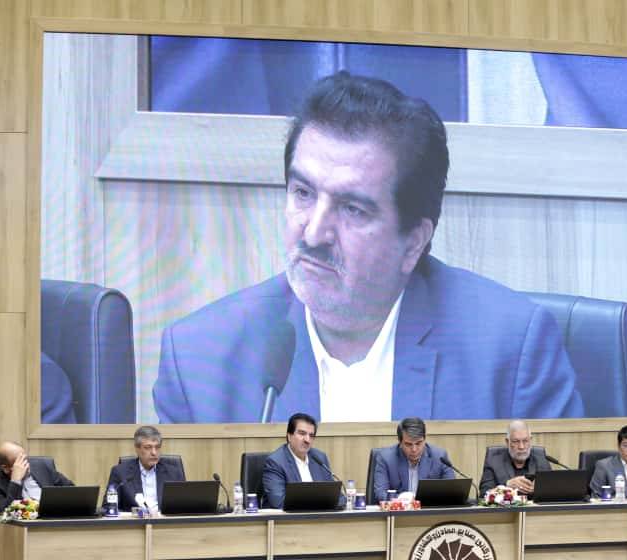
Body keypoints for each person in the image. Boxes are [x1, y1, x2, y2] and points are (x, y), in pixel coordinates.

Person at [152, 71, 584, 423]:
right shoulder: (200, 360)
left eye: (352, 209)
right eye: (303, 193)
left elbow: (550, 502)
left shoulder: (508, 352)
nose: (313, 233)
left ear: (413, 242)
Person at [262, 412, 341, 509]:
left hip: (319, 516)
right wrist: (319, 503)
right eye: (302, 433)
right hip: (288, 518)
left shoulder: (320, 458)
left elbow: (338, 497)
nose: (307, 440)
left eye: (311, 435)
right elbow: (279, 502)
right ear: (289, 436)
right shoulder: (275, 462)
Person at [103, 426, 186, 512]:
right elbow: (107, 507)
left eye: (157, 447)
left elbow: (184, 506)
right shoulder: (120, 473)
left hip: (164, 520)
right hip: (134, 520)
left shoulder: (174, 473)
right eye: (148, 447)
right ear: (137, 449)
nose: (154, 452)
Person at [372, 417, 454, 502]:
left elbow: (451, 491)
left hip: (428, 508)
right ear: (400, 442)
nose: (414, 449)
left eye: (418, 443)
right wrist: (404, 499)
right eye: (408, 444)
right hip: (400, 509)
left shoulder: (439, 457)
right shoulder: (386, 458)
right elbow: (380, 494)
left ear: (424, 440)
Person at [0, 441, 75, 515]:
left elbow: (72, 491)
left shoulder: (42, 467)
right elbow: (3, 513)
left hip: (55, 520)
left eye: (25, 458)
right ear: (6, 468)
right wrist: (15, 481)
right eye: (20, 462)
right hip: (25, 529)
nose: (27, 465)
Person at [479, 420, 551, 495]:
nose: (521, 447)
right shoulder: (493, 461)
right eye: (516, 441)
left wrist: (540, 487)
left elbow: (552, 489)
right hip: (508, 503)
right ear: (507, 442)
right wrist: (507, 486)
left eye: (525, 441)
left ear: (530, 440)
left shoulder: (541, 459)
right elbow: (484, 494)